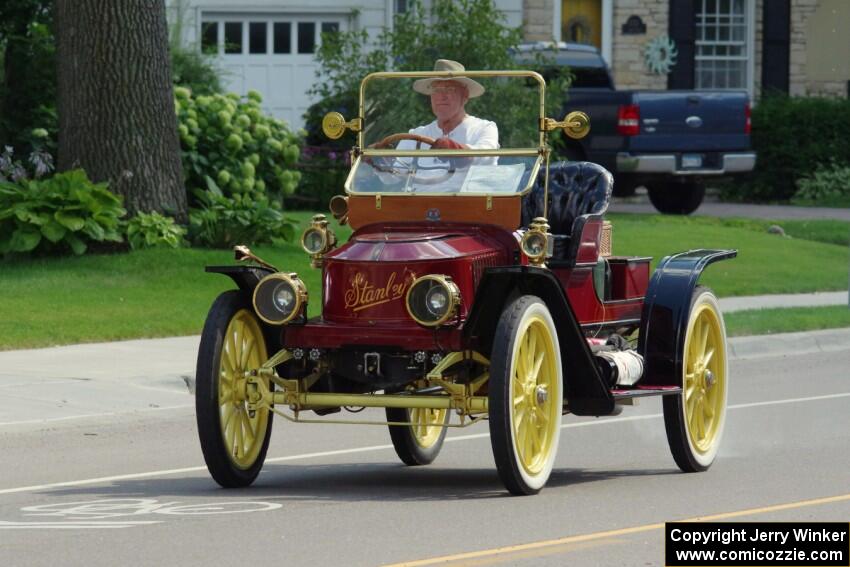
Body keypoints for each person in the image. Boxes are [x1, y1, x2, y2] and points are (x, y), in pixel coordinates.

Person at [397, 59, 499, 167]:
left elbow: (486, 156)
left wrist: (455, 149)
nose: (441, 96)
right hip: (421, 185)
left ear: (465, 96)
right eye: (436, 90)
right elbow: (391, 175)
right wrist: (382, 161)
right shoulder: (416, 135)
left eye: (450, 89)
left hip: (467, 185)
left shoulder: (484, 128)